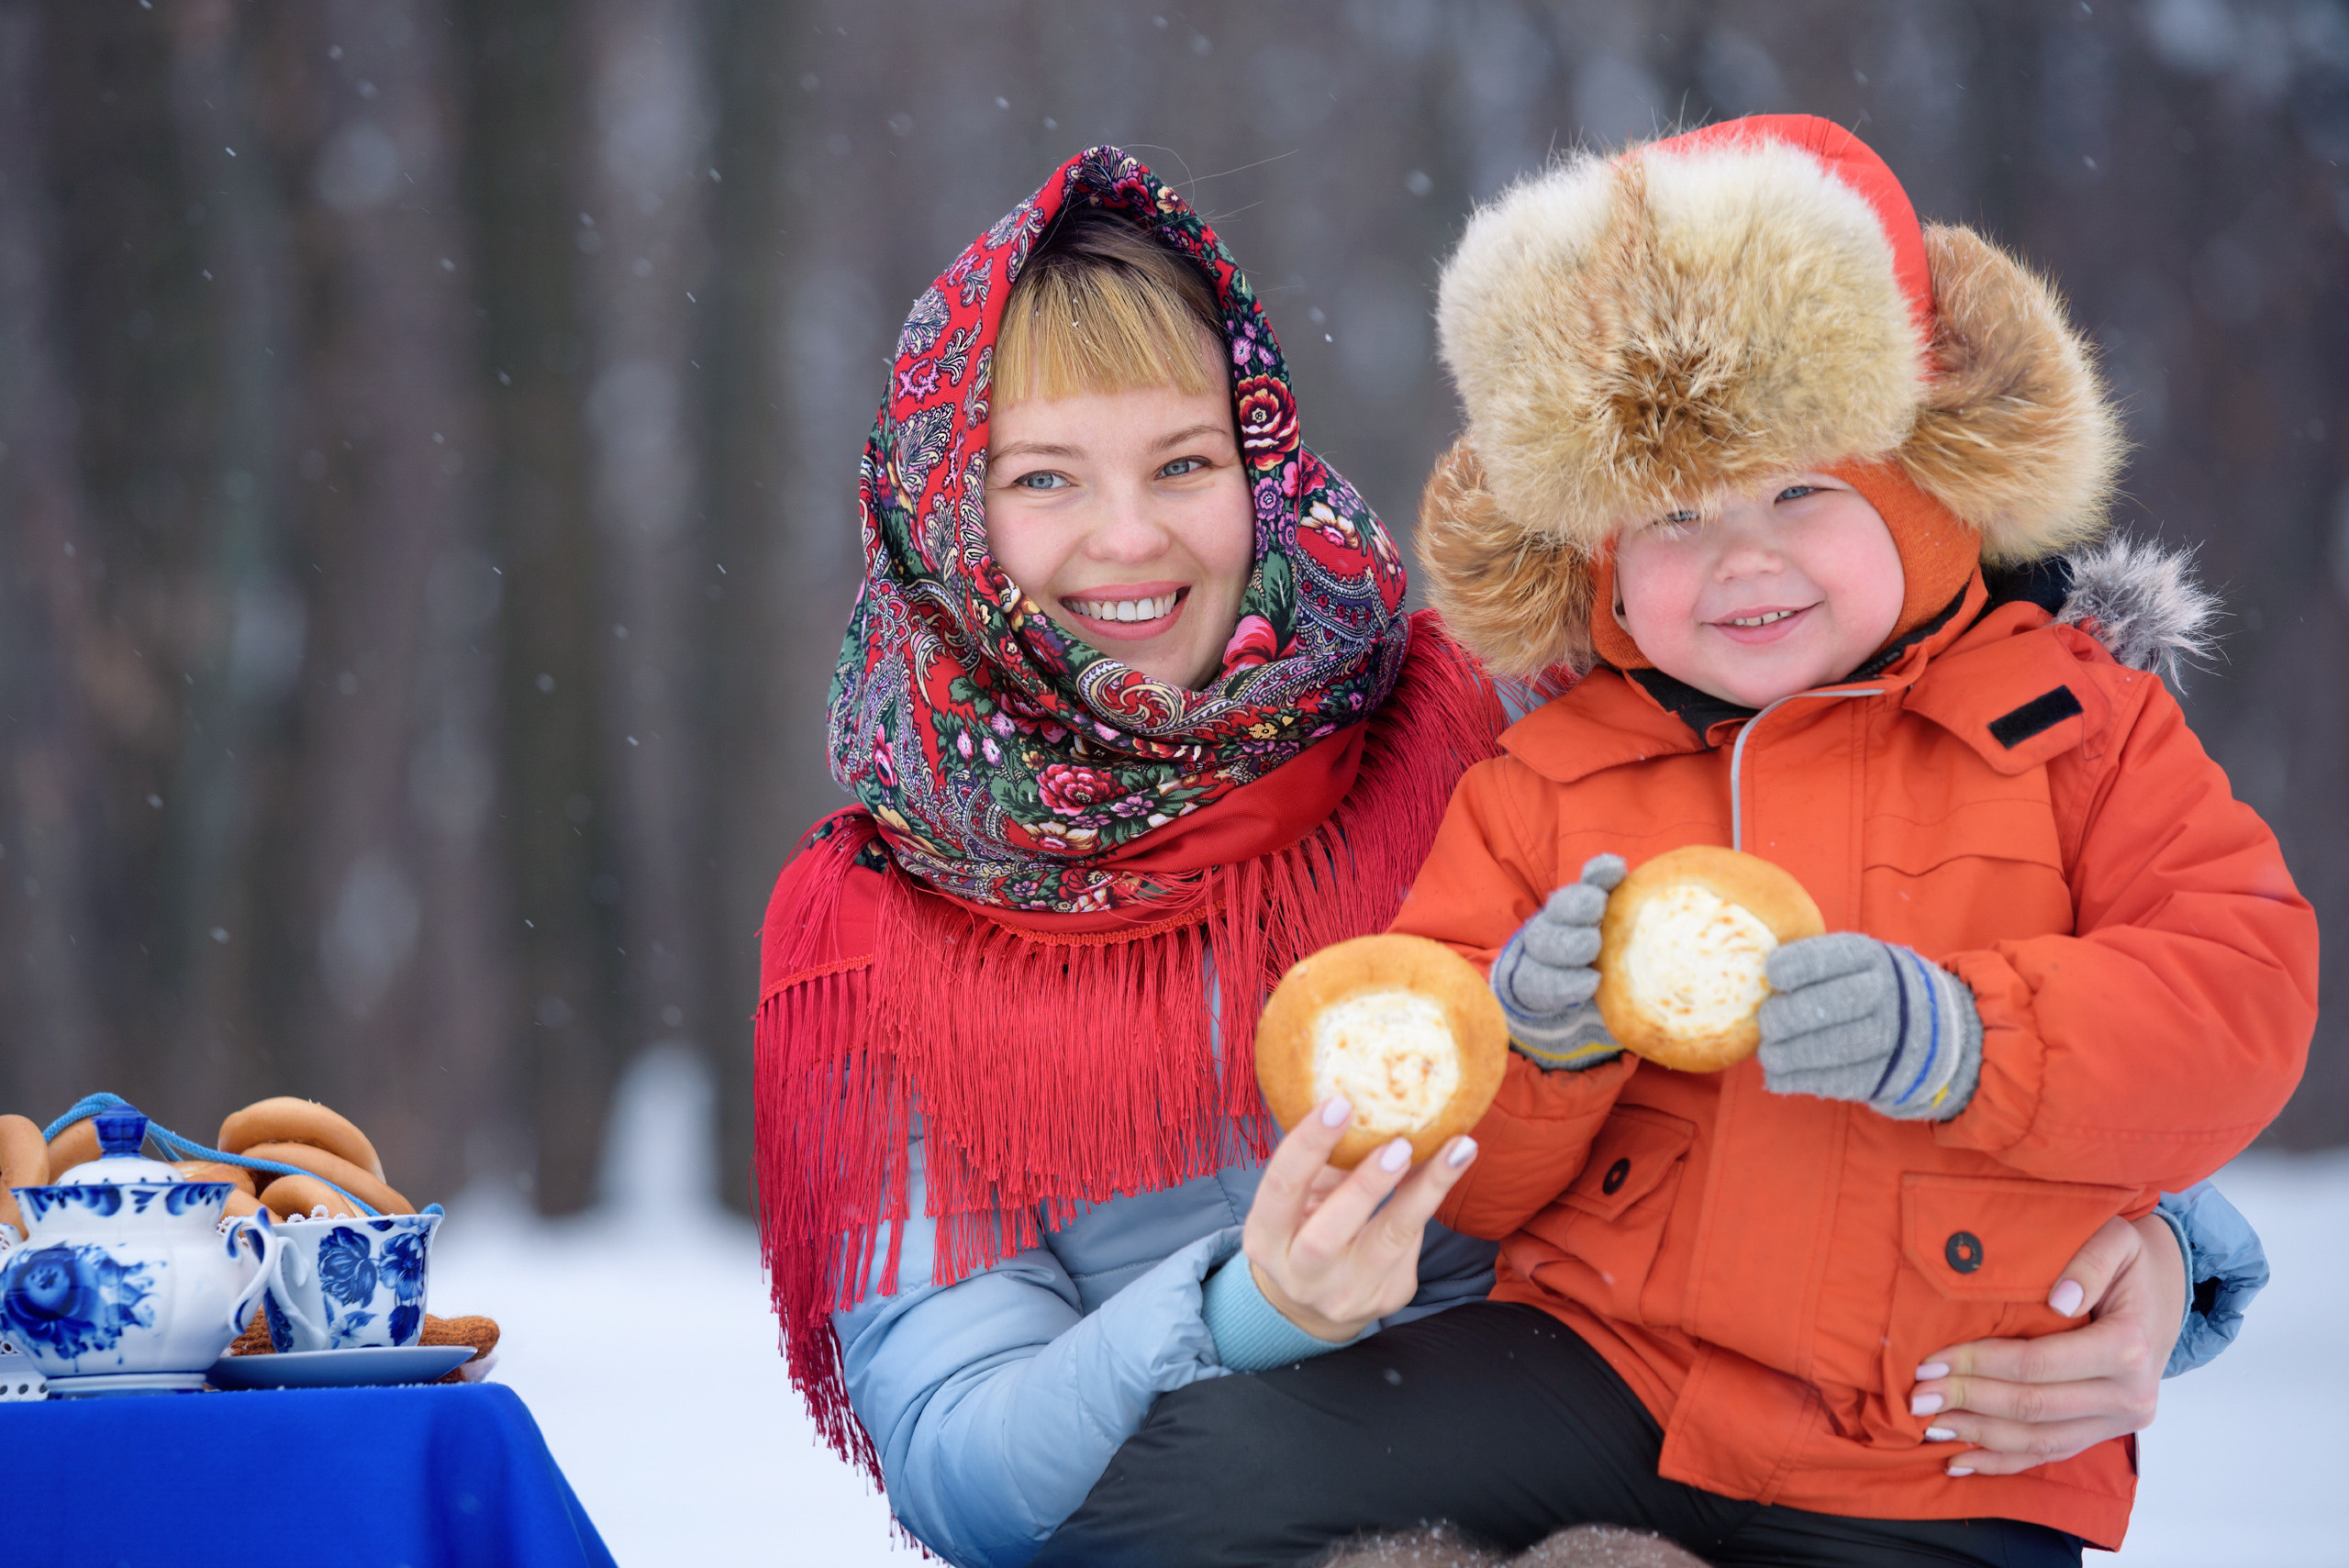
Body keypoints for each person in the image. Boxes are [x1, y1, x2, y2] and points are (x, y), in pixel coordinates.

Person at [757, 145, 2260, 1568]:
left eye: (1183, 460)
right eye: (1043, 478)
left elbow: (1884, 855)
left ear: (1259, 461)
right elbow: (964, 1460)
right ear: (939, 503)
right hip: (1297, 1494)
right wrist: (1247, 1305)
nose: (1131, 536)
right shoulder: (871, 939)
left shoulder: (1477, 716)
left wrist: (2146, 1245)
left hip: (1686, 1438)